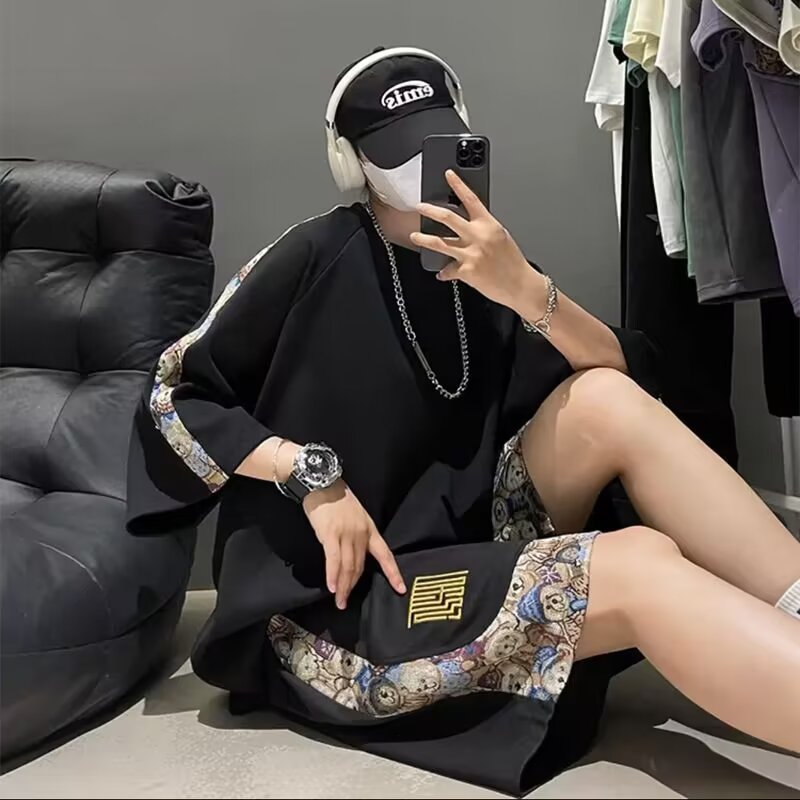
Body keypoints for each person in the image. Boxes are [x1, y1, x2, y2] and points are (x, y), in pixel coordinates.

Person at [126, 47, 800, 794]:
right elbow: (170, 396)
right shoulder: (310, 256)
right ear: (353, 164)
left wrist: (524, 288)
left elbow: (623, 373)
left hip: (469, 543)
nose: (422, 166)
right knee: (638, 562)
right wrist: (309, 475)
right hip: (347, 605)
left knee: (606, 400)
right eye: (397, 151)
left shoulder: (483, 262)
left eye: (438, 142)